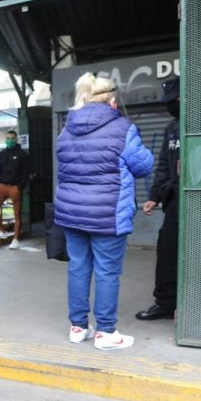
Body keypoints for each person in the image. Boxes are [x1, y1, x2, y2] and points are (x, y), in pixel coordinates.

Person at [55, 73, 154, 350]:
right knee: (107, 272)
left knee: (78, 267)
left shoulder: (66, 128)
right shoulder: (122, 127)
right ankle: (106, 332)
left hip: (72, 212)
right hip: (107, 213)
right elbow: (142, 166)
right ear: (112, 101)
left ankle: (78, 327)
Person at [136, 77, 181, 321]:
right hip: (174, 202)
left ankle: (195, 305)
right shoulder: (172, 128)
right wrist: (154, 196)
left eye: (175, 100)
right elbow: (164, 164)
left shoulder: (199, 125)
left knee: (200, 254)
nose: (172, 105)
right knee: (167, 252)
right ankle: (165, 303)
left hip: (200, 203)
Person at [0, 129, 30, 249]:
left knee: (17, 214)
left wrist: (19, 187)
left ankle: (15, 239)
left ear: (16, 139)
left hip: (14, 187)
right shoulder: (2, 154)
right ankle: (1, 230)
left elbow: (25, 173)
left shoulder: (23, 154)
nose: (10, 140)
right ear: (5, 139)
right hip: (2, 186)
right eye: (7, 138)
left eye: (12, 138)